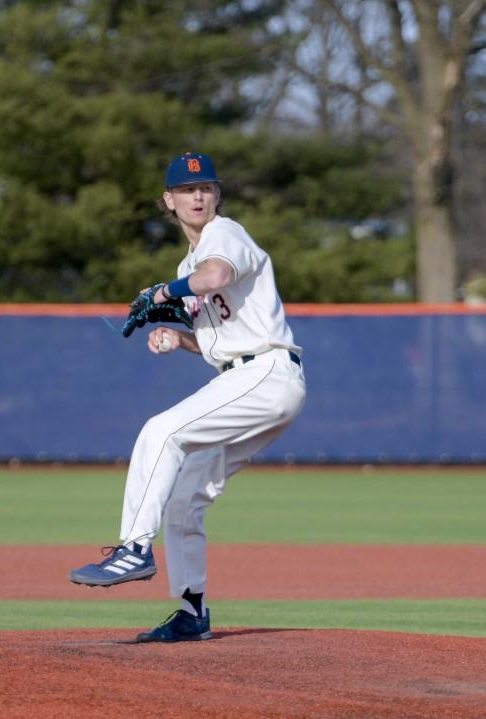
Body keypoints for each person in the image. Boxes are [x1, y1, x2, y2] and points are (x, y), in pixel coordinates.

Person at [69, 151, 307, 643]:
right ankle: (191, 611)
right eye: (186, 190)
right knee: (183, 499)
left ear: (216, 195)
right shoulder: (188, 264)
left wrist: (162, 293)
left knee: (161, 432)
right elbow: (224, 340)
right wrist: (180, 338)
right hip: (250, 377)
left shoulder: (225, 234)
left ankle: (134, 549)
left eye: (205, 188)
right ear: (169, 200)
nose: (197, 196)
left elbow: (215, 277)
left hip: (267, 372)